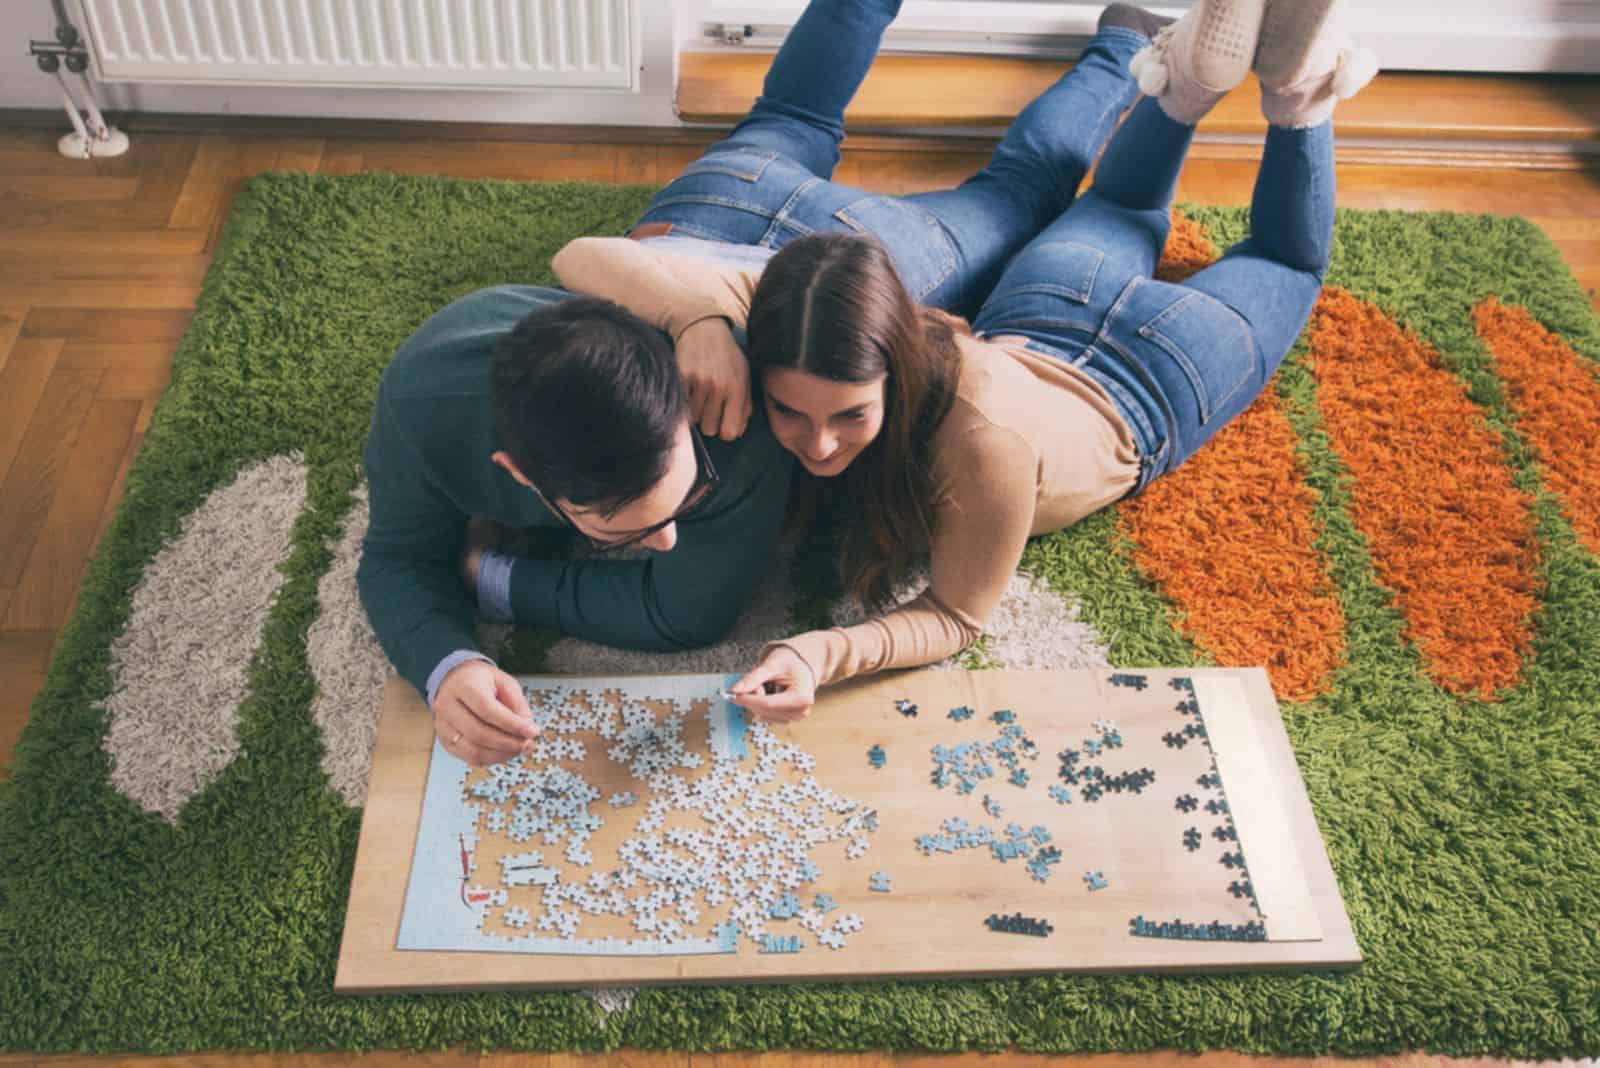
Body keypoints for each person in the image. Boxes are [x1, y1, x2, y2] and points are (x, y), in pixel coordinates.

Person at [561, 0, 1377, 721]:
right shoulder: (808, 311)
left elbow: (955, 616)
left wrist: (823, 652)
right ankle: (1191, 77)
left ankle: (1267, 91)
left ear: (898, 363)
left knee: (1261, 253)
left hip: (1148, 376)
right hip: (1040, 314)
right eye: (791, 412)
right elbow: (582, 256)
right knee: (1099, 204)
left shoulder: (982, 446)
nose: (816, 448)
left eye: (849, 416)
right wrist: (699, 317)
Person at [552, 0, 1160, 443]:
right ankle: (1126, 46)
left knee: (1019, 195)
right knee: (795, 113)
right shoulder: (580, 361)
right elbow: (582, 256)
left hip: (860, 253)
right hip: (715, 206)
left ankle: (1126, 44)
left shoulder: (623, 422)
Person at [358, 289, 794, 767]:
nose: (669, 541)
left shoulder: (742, 420)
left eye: (689, 493)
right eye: (627, 533)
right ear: (521, 475)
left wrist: (489, 577)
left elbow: (684, 613)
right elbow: (395, 560)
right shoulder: (417, 411)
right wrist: (448, 667)